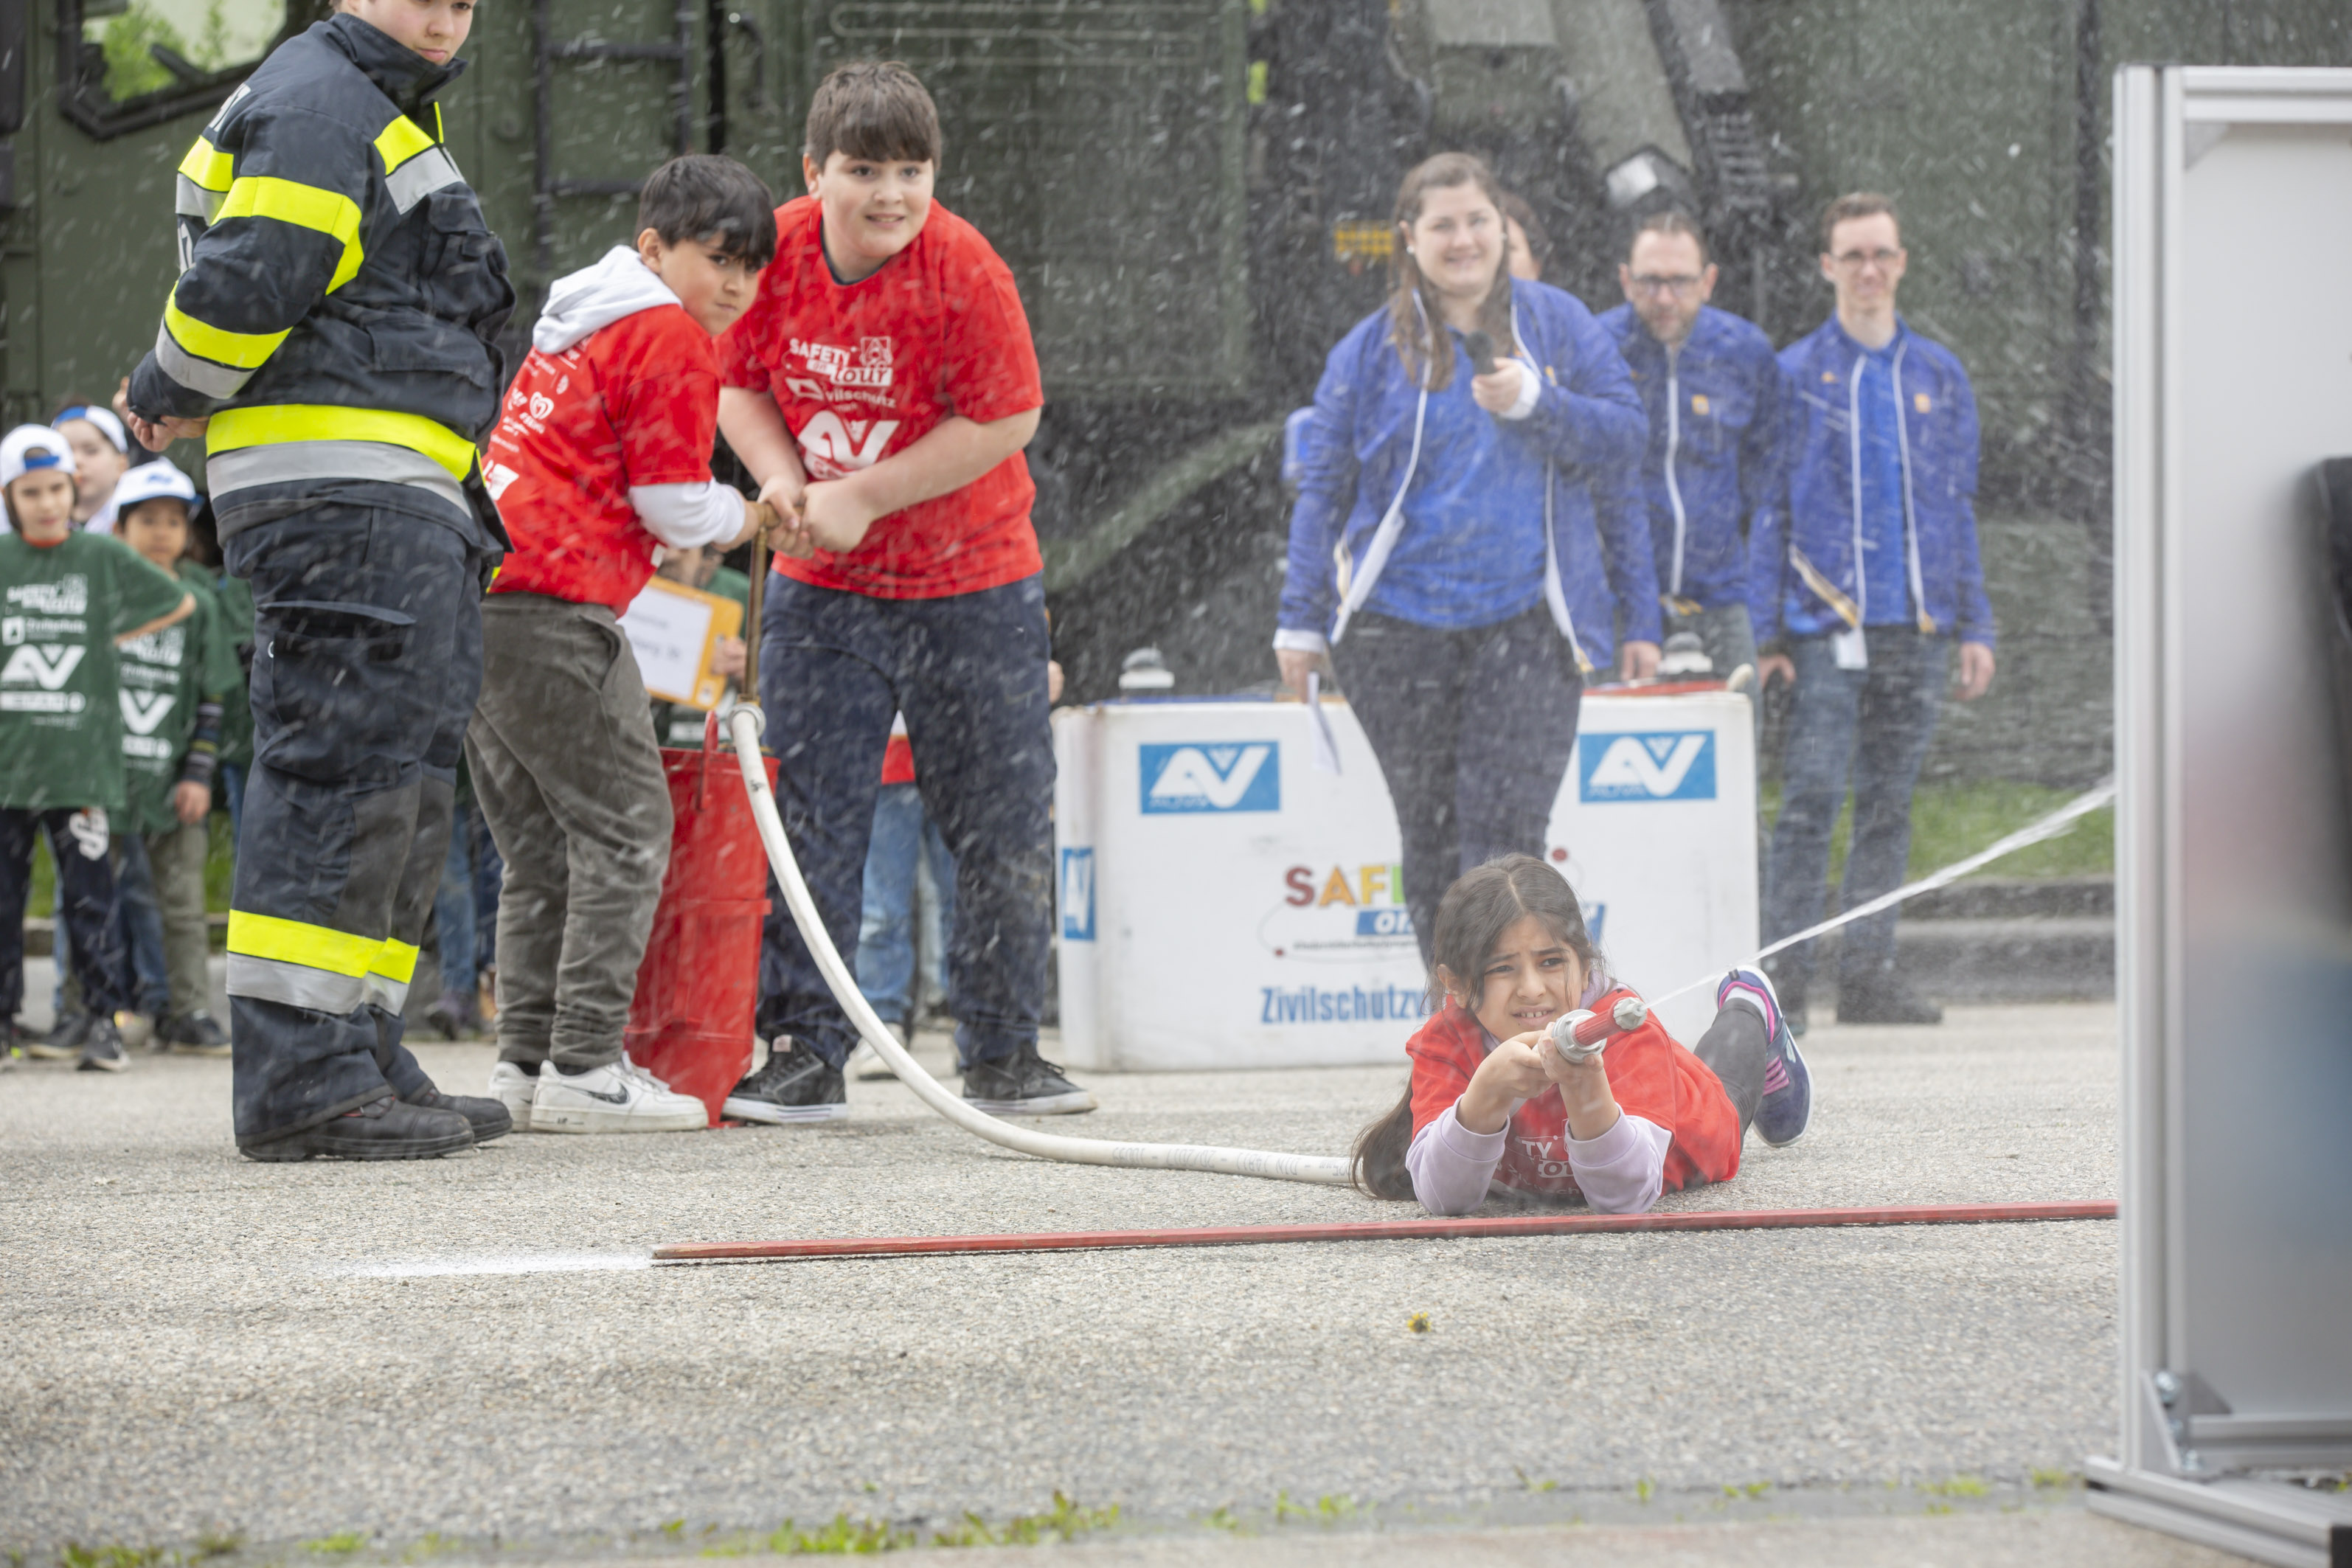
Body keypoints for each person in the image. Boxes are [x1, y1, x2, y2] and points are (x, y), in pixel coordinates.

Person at [119, 0, 518, 1160]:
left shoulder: (359, 103)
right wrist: (167, 381)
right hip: (343, 493)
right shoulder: (324, 101)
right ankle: (304, 1073)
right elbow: (256, 274)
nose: (449, 15)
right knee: (343, 769)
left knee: (394, 775)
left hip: (389, 493)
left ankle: (354, 1040)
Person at [715, 59, 1093, 1123]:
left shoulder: (967, 269)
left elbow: (1008, 420)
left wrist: (867, 495)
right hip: (822, 591)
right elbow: (735, 379)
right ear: (813, 172)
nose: (890, 194)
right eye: (863, 169)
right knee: (810, 819)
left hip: (975, 583)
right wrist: (782, 478)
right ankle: (801, 1050)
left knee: (999, 823)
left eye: (911, 170)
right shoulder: (772, 250)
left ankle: (1005, 1050)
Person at [1274, 151, 1656, 969]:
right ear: (1408, 239)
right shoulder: (1367, 352)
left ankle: (1519, 1039)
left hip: (1528, 625)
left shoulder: (1558, 323)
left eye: (1477, 221)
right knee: (1432, 833)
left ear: (1502, 228)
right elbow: (1323, 491)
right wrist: (1300, 619)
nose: (1463, 239)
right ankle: (1456, 1041)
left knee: (1507, 842)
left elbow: (1625, 435)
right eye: (1442, 225)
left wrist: (1540, 404)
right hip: (1395, 632)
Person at [471, 153, 785, 1136]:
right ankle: (588, 1065)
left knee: (537, 852)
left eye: (751, 266)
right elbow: (669, 502)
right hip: (557, 608)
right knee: (625, 830)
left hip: (477, 596)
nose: (734, 285)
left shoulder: (577, 322)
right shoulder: (668, 335)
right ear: (653, 250)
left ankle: (522, 1062)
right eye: (716, 258)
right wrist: (751, 512)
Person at [1751, 194, 1997, 1030]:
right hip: (1827, 627)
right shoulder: (1792, 374)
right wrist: (1767, 628)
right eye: (1852, 255)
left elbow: (1958, 507)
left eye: (1881, 254)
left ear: (1902, 261)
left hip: (1922, 629)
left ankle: (1869, 973)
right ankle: (1784, 978)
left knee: (1890, 803)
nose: (1868, 270)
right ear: (1826, 265)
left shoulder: (1939, 373)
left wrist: (1976, 624)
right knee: (1813, 797)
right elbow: (1768, 506)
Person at [1350, 853, 1811, 1214]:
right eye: (1502, 969)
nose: (1533, 989)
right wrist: (1485, 1092)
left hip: (1697, 1127)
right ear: (1457, 985)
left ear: (1584, 965)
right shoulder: (1448, 1040)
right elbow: (1444, 1199)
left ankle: (1750, 1004)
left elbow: (1626, 1197)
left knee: (1727, 1091)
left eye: (1551, 962)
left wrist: (1585, 1084)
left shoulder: (1626, 1032)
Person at [0, 426, 194, 1072]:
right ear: (10, 496)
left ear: (73, 490)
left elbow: (177, 599)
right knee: (6, 901)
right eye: (31, 492)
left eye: (57, 488)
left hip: (81, 769)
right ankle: (5, 1025)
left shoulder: (99, 557)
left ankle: (105, 1025)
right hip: (9, 768)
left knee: (92, 903)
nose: (47, 503)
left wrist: (104, 634)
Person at [1600, 210, 1785, 701]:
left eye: (1679, 282)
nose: (1664, 298)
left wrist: (1759, 604)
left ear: (1708, 281)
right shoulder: (1596, 351)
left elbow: (1766, 480)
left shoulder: (1745, 353)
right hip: (1618, 602)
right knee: (1616, 760)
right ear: (1624, 280)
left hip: (1720, 598)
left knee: (1731, 755)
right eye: (1649, 282)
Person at [109, 461, 238, 1055]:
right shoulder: (105, 590)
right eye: (146, 520)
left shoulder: (197, 600)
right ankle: (106, 1007)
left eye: (172, 521)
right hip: (107, 779)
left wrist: (198, 774)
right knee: (101, 897)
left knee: (182, 901)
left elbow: (212, 693)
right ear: (121, 529)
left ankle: (188, 1010)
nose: (161, 531)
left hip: (171, 778)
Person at [52, 406, 135, 535]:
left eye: (91, 451)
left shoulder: (137, 525)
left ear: (121, 465)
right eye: (66, 451)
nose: (76, 461)